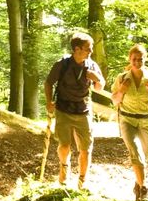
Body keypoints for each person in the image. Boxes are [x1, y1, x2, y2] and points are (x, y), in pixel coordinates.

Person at [45, 33, 105, 189]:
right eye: (88, 48)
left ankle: (82, 181)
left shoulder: (92, 65)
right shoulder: (62, 64)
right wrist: (49, 101)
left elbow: (100, 87)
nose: (91, 51)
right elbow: (48, 82)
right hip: (63, 109)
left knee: (85, 149)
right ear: (77, 49)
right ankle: (64, 169)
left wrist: (97, 79)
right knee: (64, 145)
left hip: (83, 110)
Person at [112, 44, 148, 200]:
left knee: (144, 157)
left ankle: (138, 185)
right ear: (130, 59)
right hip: (127, 120)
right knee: (136, 153)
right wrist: (122, 90)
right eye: (134, 59)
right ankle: (144, 189)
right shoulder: (122, 78)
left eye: (140, 59)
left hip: (146, 122)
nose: (137, 62)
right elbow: (115, 101)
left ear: (144, 59)